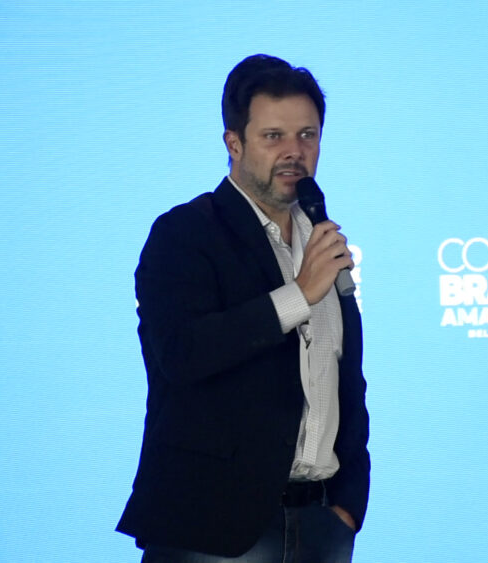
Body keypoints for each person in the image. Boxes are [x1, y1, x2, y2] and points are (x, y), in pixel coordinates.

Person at [116, 54, 370, 562]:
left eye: (307, 135)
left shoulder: (323, 242)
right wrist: (299, 294)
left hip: (321, 525)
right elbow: (182, 354)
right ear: (234, 143)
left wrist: (348, 503)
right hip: (213, 529)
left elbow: (346, 382)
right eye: (273, 136)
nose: (294, 152)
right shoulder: (185, 234)